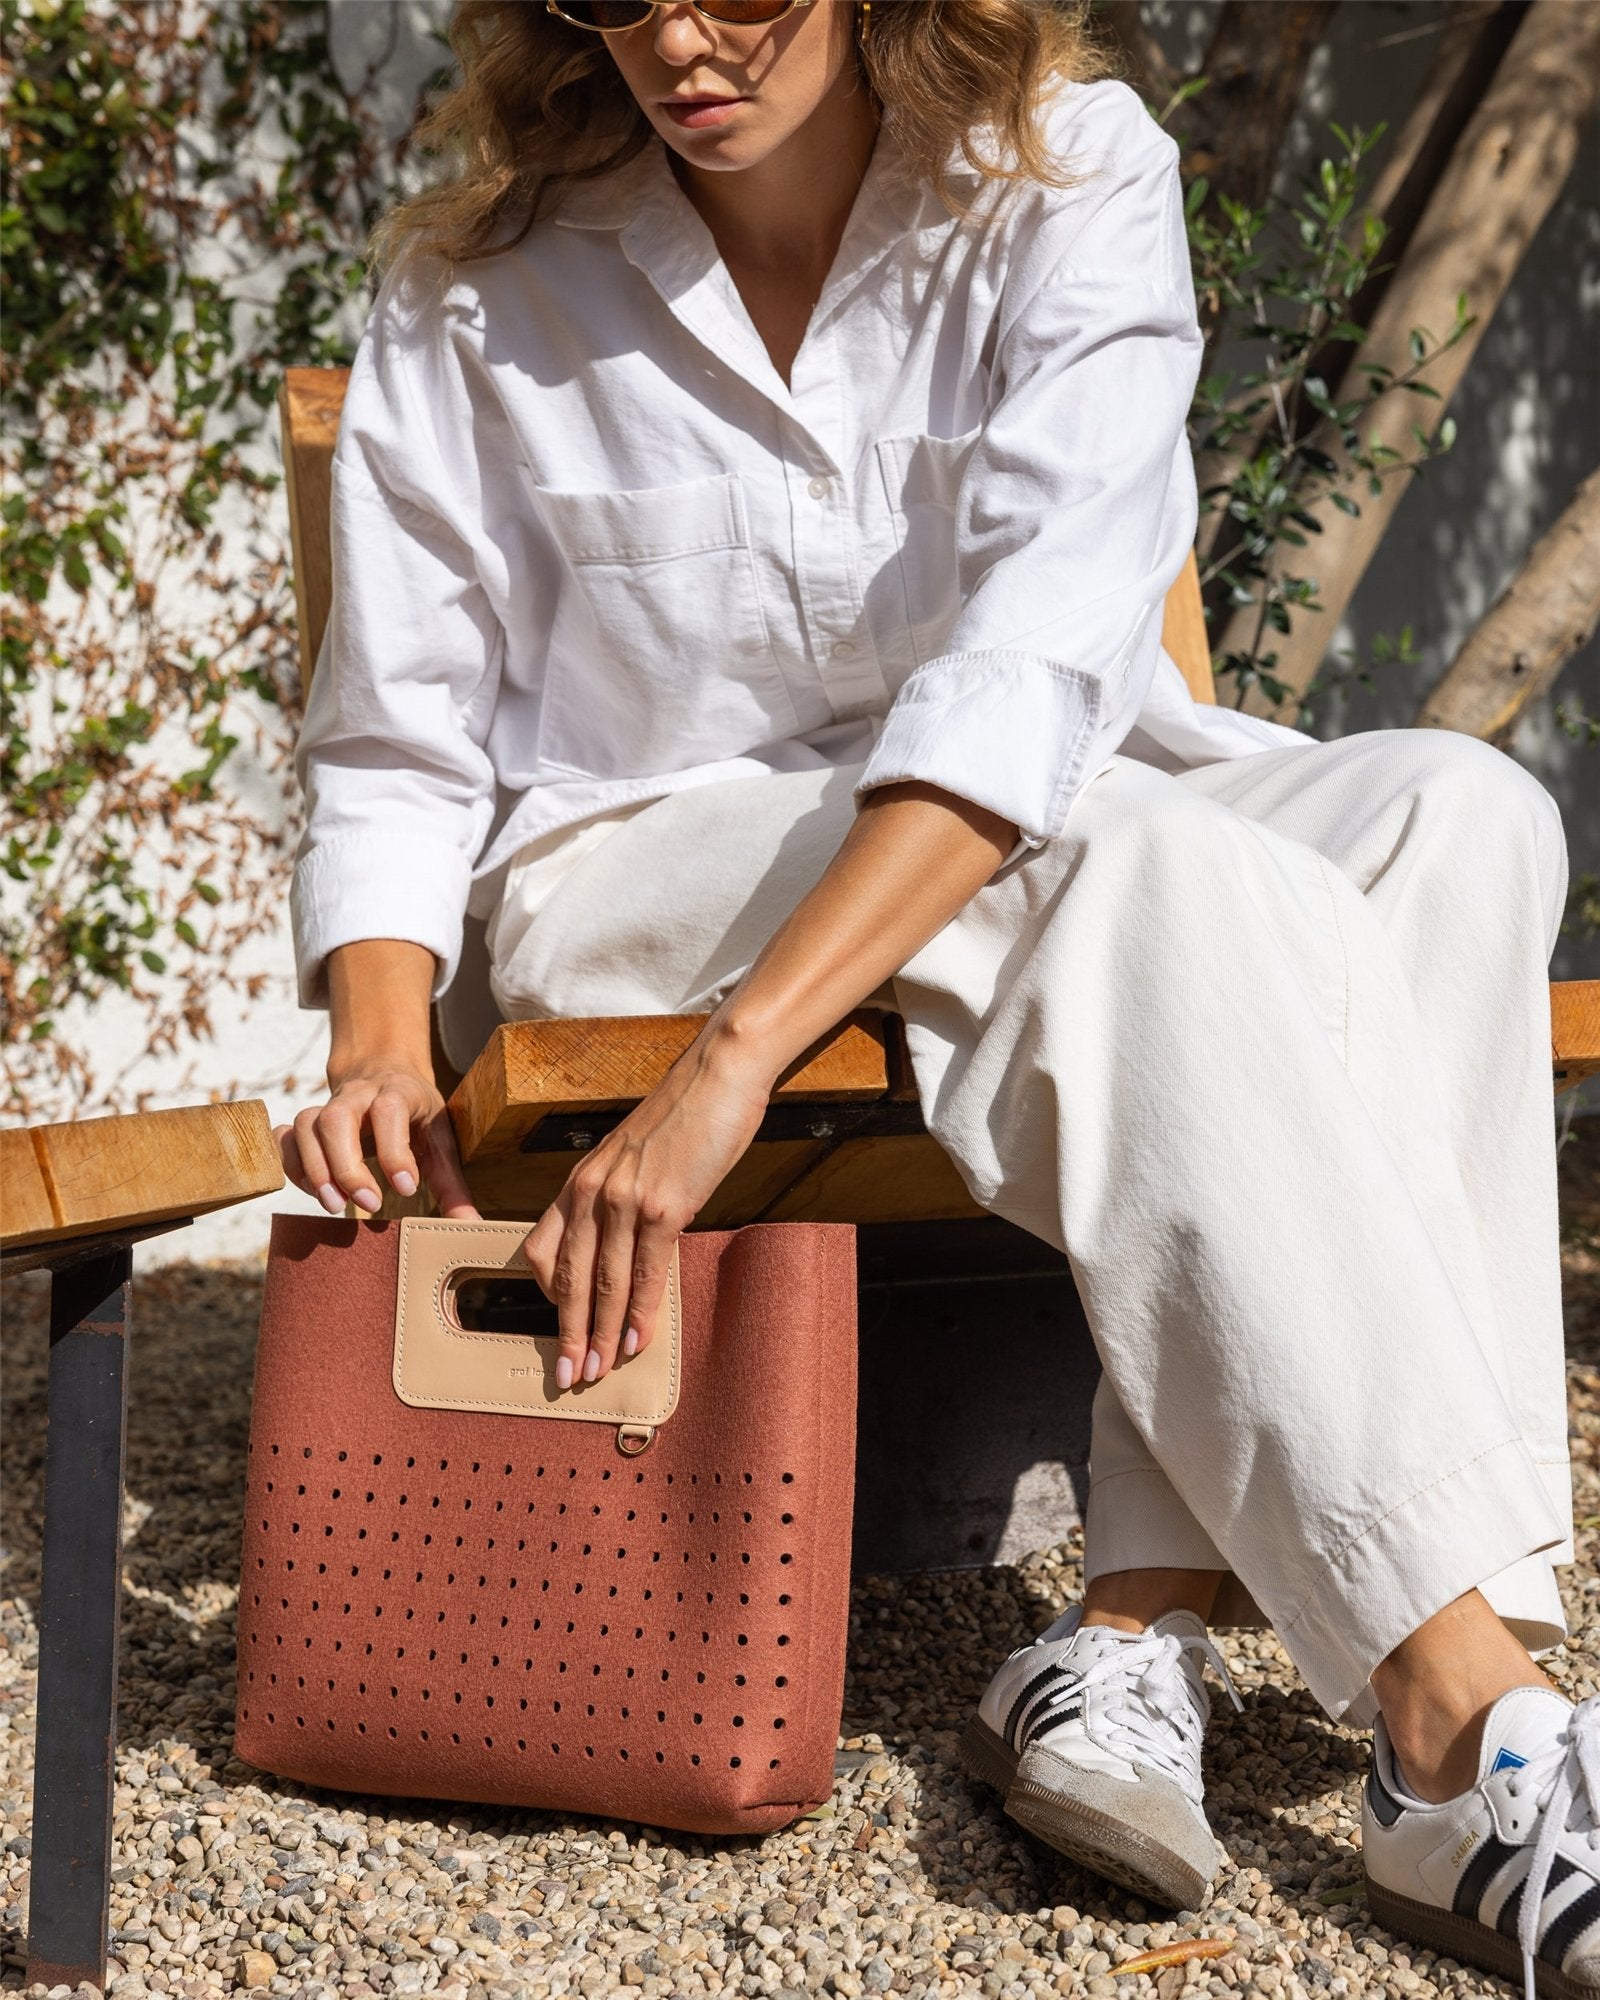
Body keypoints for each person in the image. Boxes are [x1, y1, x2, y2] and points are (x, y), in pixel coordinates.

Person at [276, 3, 1597, 1993]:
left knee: (1456, 814)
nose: (677, 42)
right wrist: (382, 1025)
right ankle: (1457, 1711)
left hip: (1008, 812)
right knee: (1126, 862)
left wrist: (738, 1067)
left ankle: (1125, 1642)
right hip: (638, 869)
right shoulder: (483, 294)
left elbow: (1031, 676)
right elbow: (395, 741)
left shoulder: (1070, 180)